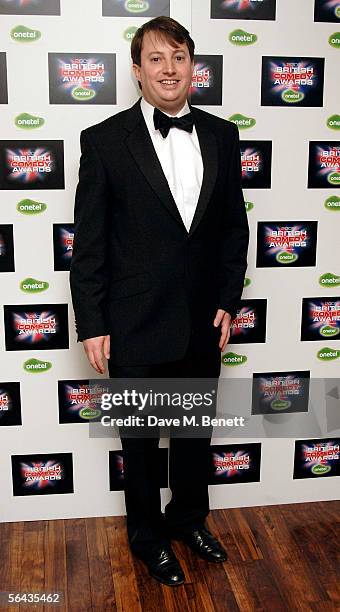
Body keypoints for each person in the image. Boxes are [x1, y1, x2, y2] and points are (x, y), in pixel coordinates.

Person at [70, 16, 249, 587]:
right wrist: (93, 322)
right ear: (137, 71)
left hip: (202, 320)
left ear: (194, 67)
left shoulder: (222, 135)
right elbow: (90, 243)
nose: (169, 70)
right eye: (156, 59)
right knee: (142, 444)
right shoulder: (103, 141)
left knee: (195, 435)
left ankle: (189, 520)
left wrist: (227, 298)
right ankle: (148, 539)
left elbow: (233, 231)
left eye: (179, 57)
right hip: (135, 321)